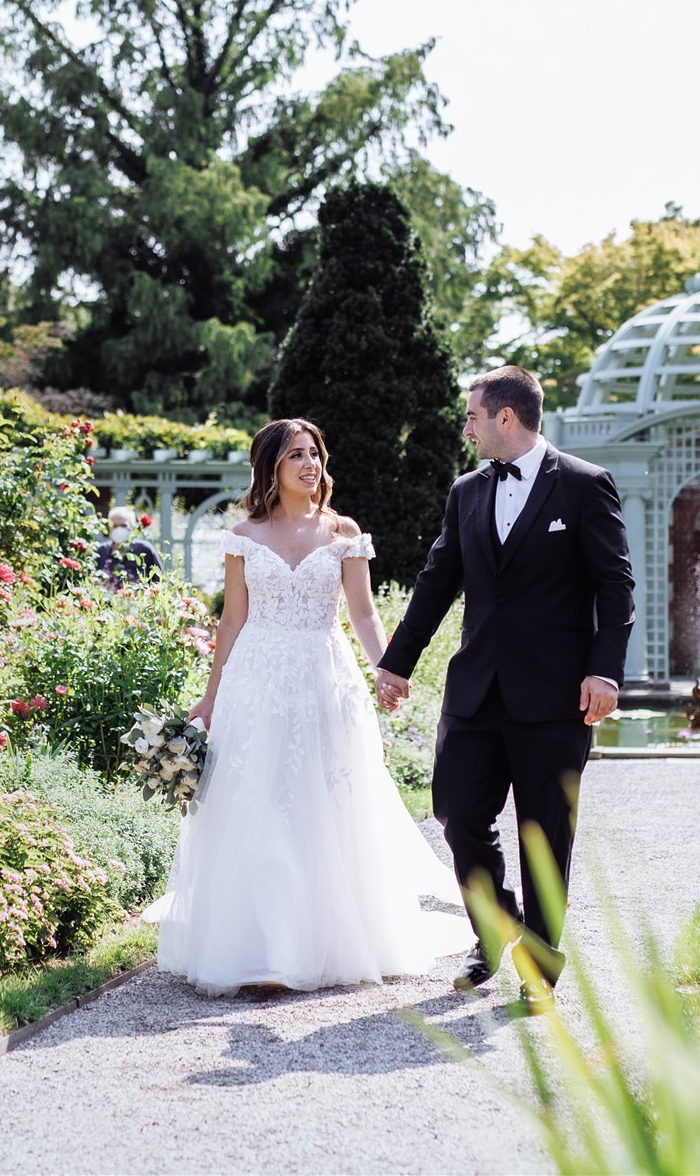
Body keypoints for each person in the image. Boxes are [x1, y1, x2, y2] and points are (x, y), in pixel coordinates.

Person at [147, 419, 471, 996]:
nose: (309, 464)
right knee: (260, 806)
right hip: (258, 682)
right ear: (271, 466)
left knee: (327, 806)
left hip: (326, 679)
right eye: (295, 455)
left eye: (315, 453)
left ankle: (329, 940)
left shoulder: (343, 532)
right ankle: (264, 950)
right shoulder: (245, 535)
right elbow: (232, 621)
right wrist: (211, 695)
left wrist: (386, 668)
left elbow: (364, 614)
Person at [375, 366, 635, 1010]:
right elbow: (438, 581)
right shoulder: (466, 492)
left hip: (557, 698)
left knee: (544, 834)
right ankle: (497, 931)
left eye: (471, 417)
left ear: (505, 417)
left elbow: (616, 586)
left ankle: (540, 963)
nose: (466, 428)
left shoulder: (583, 486)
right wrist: (396, 661)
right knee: (457, 814)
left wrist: (605, 671)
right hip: (475, 693)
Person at [95, 506, 163, 586]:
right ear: (109, 528)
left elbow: (160, 581)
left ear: (133, 528)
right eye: (115, 526)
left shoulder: (145, 550)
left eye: (123, 526)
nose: (119, 530)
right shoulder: (101, 552)